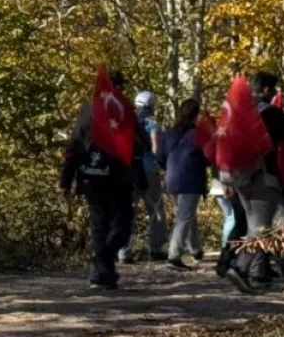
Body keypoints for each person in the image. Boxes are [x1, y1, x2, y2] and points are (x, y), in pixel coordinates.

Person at [59, 71, 144, 290]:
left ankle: (101, 269)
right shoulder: (125, 111)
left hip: (92, 176)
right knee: (121, 226)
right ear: (120, 87)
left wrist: (66, 180)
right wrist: (141, 179)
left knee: (101, 225)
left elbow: (74, 146)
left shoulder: (89, 110)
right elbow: (139, 146)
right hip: (117, 177)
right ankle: (102, 266)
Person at [223, 72, 284, 293]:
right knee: (261, 229)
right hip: (265, 176)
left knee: (255, 225)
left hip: (239, 177)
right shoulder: (272, 114)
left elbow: (222, 143)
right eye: (273, 89)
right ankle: (240, 267)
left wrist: (225, 178)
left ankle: (255, 275)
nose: (274, 94)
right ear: (265, 90)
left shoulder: (235, 112)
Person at [156, 98, 209, 270]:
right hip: (191, 179)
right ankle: (174, 255)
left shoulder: (168, 134)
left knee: (187, 215)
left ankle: (196, 249)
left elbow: (160, 157)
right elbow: (207, 157)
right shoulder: (198, 134)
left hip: (172, 179)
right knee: (184, 218)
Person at [124, 91, 167, 263]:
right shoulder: (151, 123)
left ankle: (124, 250)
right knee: (155, 210)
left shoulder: (127, 122)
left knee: (128, 210)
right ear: (151, 106)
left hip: (129, 170)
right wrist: (161, 165)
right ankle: (156, 248)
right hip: (148, 170)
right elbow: (155, 148)